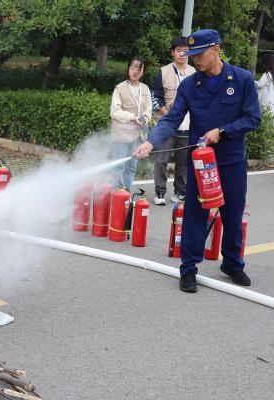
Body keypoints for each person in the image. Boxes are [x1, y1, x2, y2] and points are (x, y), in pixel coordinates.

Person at [135, 29, 261, 293]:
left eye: (200, 54)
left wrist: (222, 131)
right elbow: (172, 118)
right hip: (201, 163)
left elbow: (253, 118)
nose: (195, 60)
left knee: (232, 213)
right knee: (195, 213)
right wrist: (151, 142)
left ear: (216, 49)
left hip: (231, 161)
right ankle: (189, 268)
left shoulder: (242, 79)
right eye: (192, 55)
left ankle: (233, 264)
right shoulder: (190, 85)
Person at [151, 37, 196, 205]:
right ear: (172, 52)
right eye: (178, 50)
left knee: (183, 163)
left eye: (185, 50)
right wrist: (169, 116)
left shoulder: (195, 72)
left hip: (188, 125)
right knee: (161, 160)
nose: (182, 54)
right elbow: (156, 98)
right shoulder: (163, 72)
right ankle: (160, 192)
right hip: (167, 125)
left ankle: (180, 192)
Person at [110, 57, 152, 193]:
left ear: (143, 72)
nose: (135, 71)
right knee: (119, 166)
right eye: (132, 67)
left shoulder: (145, 88)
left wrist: (145, 117)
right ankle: (117, 193)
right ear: (128, 68)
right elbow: (115, 112)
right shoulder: (120, 88)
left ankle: (126, 193)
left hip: (138, 135)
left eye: (138, 69)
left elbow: (149, 108)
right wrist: (133, 117)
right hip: (122, 134)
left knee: (131, 167)